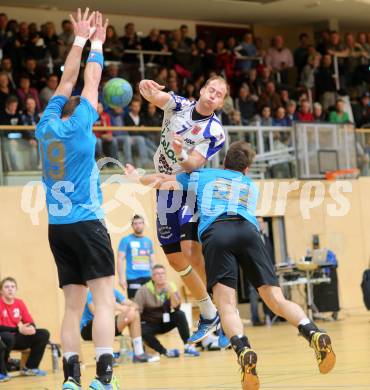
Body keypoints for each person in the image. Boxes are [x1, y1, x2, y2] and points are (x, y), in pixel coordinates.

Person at [125, 140, 336, 390]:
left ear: (224, 161)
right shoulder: (249, 184)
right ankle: (312, 332)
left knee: (226, 304)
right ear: (246, 169)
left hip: (217, 233)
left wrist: (137, 177)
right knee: (276, 299)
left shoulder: (201, 175)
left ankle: (243, 349)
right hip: (248, 231)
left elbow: (163, 181)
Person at [35, 9, 120, 390]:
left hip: (58, 229)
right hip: (87, 224)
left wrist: (79, 39)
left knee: (72, 307)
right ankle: (104, 378)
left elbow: (68, 77)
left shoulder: (44, 127)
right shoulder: (82, 124)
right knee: (103, 301)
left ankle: (71, 378)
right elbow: (90, 79)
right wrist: (98, 41)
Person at [139, 75, 229, 344]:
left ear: (221, 102)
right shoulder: (178, 105)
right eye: (210, 89)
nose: (213, 95)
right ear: (201, 89)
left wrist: (180, 154)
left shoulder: (215, 131)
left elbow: (194, 164)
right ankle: (210, 311)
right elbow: (156, 97)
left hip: (187, 185)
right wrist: (146, 88)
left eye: (219, 94)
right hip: (164, 187)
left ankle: (219, 312)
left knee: (191, 252)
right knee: (174, 258)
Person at [134, 264, 199, 358]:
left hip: (165, 321)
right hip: (150, 323)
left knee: (180, 314)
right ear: (152, 277)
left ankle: (187, 346)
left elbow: (176, 307)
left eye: (163, 273)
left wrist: (171, 291)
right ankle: (164, 351)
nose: (160, 276)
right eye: (157, 274)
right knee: (142, 329)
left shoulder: (171, 286)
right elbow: (137, 311)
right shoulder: (143, 290)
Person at [80, 288, 158, 363]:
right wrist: (118, 307)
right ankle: (106, 357)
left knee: (135, 314)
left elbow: (131, 304)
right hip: (88, 329)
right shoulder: (92, 292)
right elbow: (95, 312)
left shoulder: (112, 291)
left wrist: (131, 308)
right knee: (106, 319)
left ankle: (139, 354)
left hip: (107, 326)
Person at [0, 277, 49, 381]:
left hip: (16, 337)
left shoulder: (19, 303)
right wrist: (18, 330)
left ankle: (30, 367)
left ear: (16, 289)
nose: (10, 289)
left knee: (43, 333)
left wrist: (31, 328)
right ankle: (3, 370)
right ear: (1, 291)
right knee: (8, 337)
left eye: (13, 287)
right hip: (3, 338)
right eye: (7, 287)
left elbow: (29, 321)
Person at [117, 215, 155, 298]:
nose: (138, 225)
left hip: (148, 278)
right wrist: (121, 278)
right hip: (133, 278)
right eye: (135, 223)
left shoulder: (148, 241)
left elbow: (152, 261)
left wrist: (154, 276)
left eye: (140, 223)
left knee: (149, 305)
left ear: (144, 224)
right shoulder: (126, 240)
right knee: (134, 305)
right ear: (132, 225)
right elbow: (120, 259)